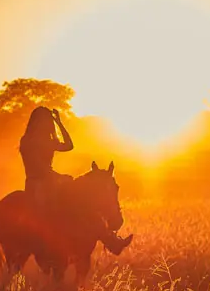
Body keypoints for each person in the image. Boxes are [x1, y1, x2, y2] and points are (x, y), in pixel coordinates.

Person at [18, 106, 131, 255]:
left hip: (49, 180)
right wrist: (58, 176)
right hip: (37, 183)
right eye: (47, 121)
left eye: (49, 122)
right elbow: (39, 168)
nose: (48, 125)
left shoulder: (47, 140)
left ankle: (110, 239)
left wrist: (59, 122)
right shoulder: (29, 141)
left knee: (83, 203)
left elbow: (69, 145)